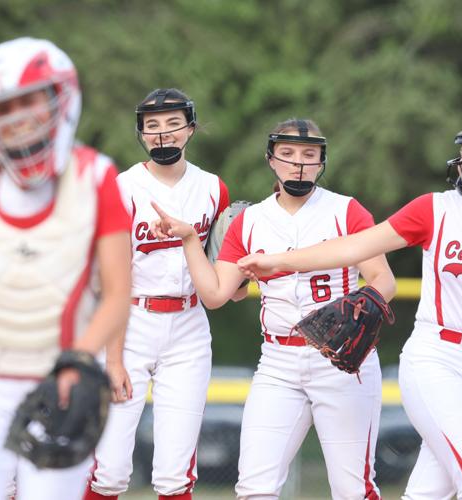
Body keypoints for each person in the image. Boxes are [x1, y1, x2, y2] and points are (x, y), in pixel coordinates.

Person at [237, 115, 462, 500]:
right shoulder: (435, 209)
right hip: (437, 360)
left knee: (428, 493)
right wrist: (279, 261)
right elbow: (353, 247)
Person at [0, 37, 132, 500]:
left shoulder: (95, 177)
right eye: (1, 108)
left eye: (27, 101)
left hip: (58, 379)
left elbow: (119, 293)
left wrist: (81, 360)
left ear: (61, 97)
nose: (15, 118)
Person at [149, 118, 396, 499]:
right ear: (271, 159)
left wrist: (363, 305)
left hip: (340, 359)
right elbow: (215, 295)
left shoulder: (346, 211)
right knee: (254, 487)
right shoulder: (249, 221)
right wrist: (189, 240)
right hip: (278, 362)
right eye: (288, 153)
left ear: (321, 161)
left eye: (309, 154)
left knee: (353, 488)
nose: (298, 163)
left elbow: (384, 278)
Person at [85, 88, 233, 500]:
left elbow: (220, 277)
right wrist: (113, 359)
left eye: (173, 124)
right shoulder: (122, 188)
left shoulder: (213, 188)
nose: (163, 133)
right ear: (141, 134)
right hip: (130, 324)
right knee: (108, 471)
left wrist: (243, 276)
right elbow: (112, 281)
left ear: (190, 129)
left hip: (188, 326)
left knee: (175, 475)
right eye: (152, 126)